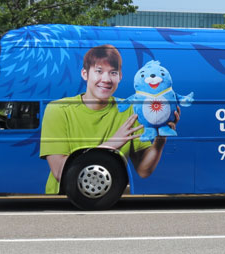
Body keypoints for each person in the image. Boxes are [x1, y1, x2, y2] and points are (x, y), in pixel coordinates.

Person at [39, 45, 178, 194]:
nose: (106, 79)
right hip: (66, 199)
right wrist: (112, 144)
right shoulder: (58, 110)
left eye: (113, 72)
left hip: (111, 198)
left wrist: (159, 142)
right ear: (85, 74)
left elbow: (143, 171)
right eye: (99, 71)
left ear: (120, 77)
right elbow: (60, 172)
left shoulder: (131, 110)